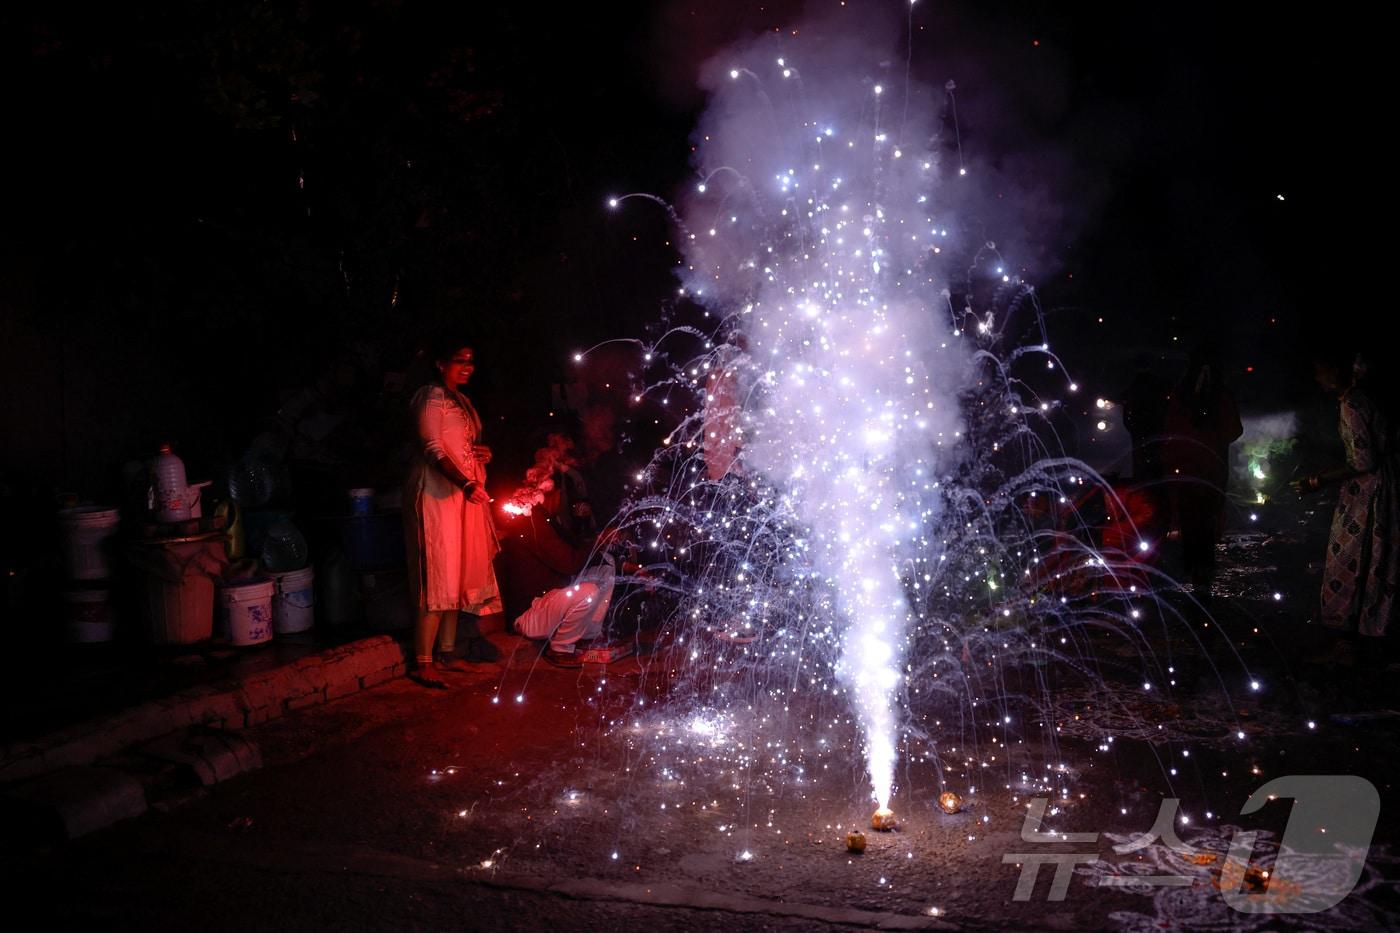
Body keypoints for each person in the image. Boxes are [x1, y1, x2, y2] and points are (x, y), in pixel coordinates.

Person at [403, 339, 502, 689]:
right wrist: (465, 482)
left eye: (471, 361)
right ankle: (423, 661)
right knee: (438, 570)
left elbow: (463, 446)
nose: (468, 367)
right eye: (460, 361)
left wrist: (481, 456)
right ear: (439, 363)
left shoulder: (463, 401)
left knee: (457, 571)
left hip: (462, 495)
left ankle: (447, 654)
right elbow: (433, 449)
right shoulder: (429, 397)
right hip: (435, 494)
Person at [1292, 349, 1398, 663]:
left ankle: (1351, 640)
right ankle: (1370, 633)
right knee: (1375, 560)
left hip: (1370, 494)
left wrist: (1318, 481)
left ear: (1337, 371)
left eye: (1322, 370)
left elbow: (1363, 461)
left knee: (1353, 560)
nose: (1318, 377)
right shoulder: (1363, 399)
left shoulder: (1352, 403)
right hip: (1385, 487)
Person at [1161, 345, 1243, 603]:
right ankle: (1203, 572)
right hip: (1212, 468)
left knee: (1191, 518)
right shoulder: (1221, 395)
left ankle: (1195, 570)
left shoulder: (1181, 394)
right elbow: (1234, 431)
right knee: (1207, 519)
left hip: (1187, 468)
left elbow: (1171, 431)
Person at [513, 550, 618, 667]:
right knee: (589, 592)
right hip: (529, 612)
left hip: (549, 598)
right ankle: (560, 648)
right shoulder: (539, 533)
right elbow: (569, 563)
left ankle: (588, 634)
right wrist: (596, 540)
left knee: (607, 562)